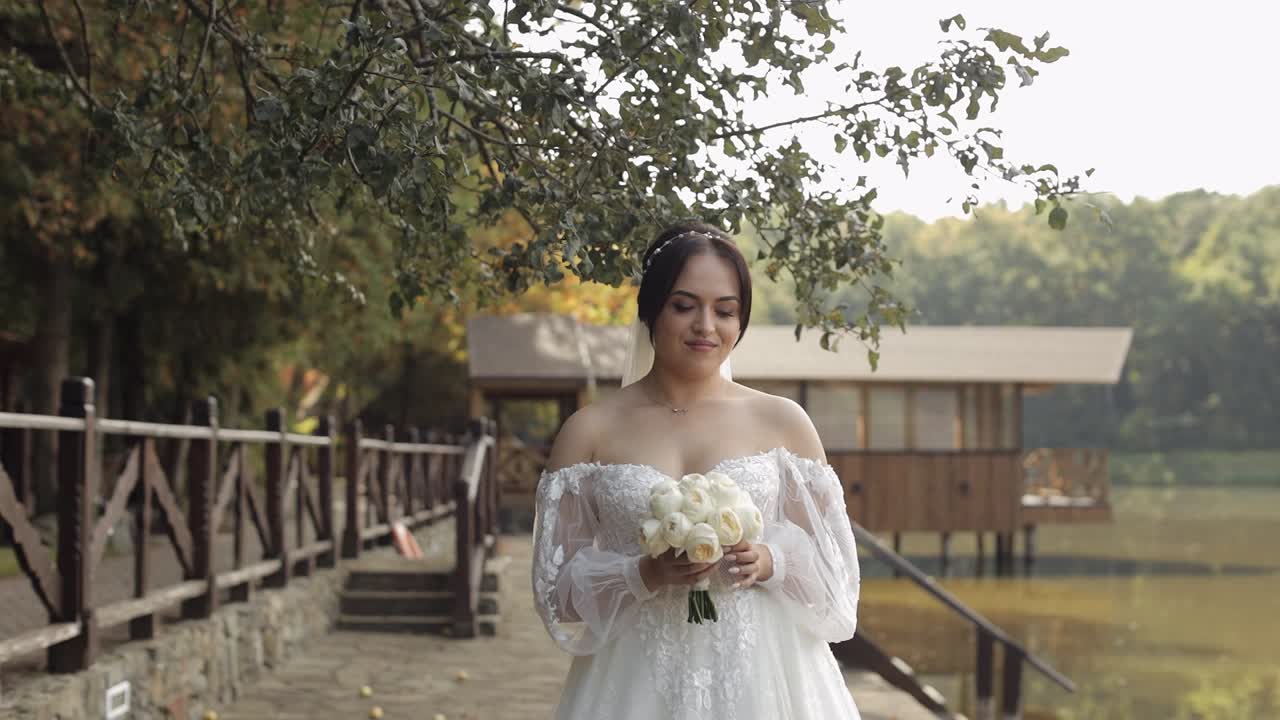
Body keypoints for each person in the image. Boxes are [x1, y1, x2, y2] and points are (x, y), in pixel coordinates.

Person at [531, 221, 862, 719]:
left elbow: (836, 579)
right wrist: (642, 573)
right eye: (684, 306)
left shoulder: (783, 421)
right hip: (634, 678)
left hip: (765, 678)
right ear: (651, 310)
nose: (706, 326)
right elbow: (556, 594)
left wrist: (769, 561)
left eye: (725, 311)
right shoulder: (590, 430)